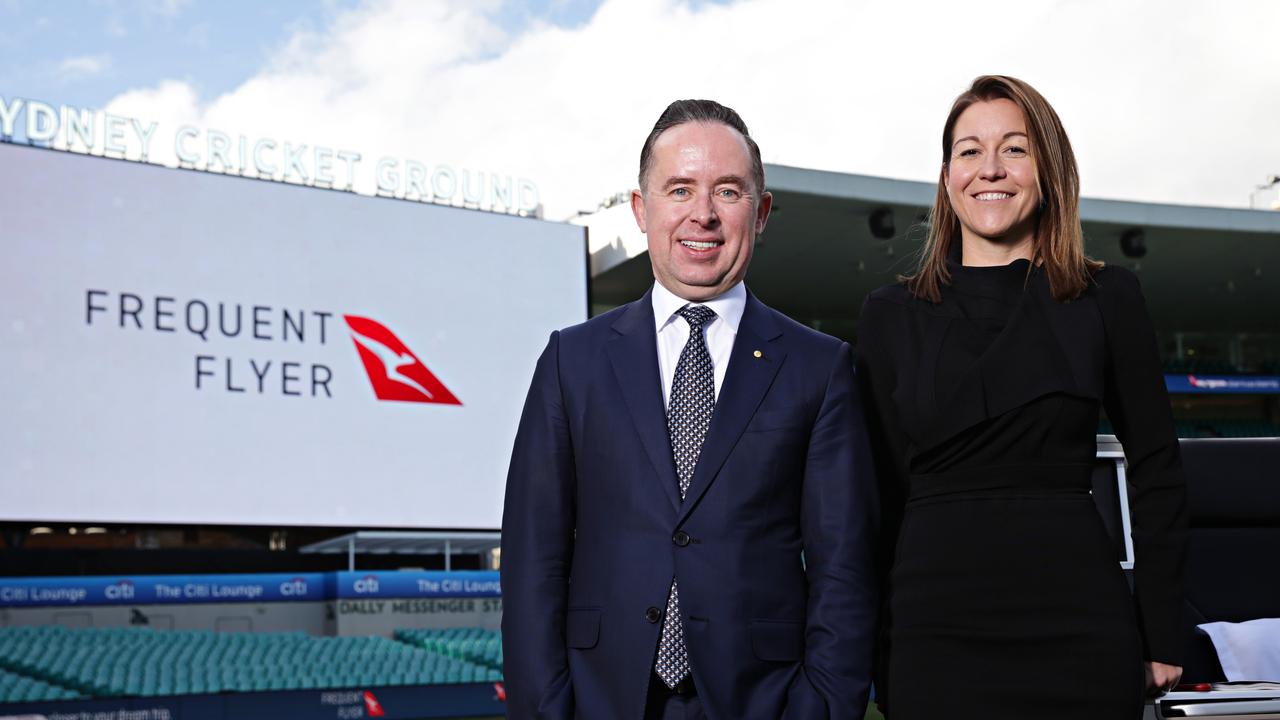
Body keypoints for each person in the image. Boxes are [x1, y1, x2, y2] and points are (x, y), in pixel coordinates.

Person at [501, 99, 879, 719]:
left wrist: (822, 709)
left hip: (763, 701)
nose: (702, 214)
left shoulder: (820, 366)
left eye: (727, 191)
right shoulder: (573, 361)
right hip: (603, 700)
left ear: (760, 214)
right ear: (641, 209)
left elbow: (845, 568)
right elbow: (531, 563)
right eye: (680, 189)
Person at [856, 75, 1188, 719]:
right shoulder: (888, 314)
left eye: (1015, 148)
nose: (991, 169)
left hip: (1078, 623)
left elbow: (1159, 470)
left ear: (1049, 169)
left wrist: (1161, 629)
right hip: (933, 631)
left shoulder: (1106, 298)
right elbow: (876, 502)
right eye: (969, 150)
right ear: (948, 174)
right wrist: (872, 643)